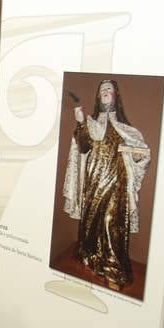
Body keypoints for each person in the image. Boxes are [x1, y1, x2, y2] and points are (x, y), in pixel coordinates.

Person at [62, 80, 150, 291]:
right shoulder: (91, 122)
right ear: (97, 97)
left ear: (116, 96)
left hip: (116, 182)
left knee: (113, 223)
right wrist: (80, 123)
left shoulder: (126, 129)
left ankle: (113, 269)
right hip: (93, 180)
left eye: (109, 89)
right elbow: (83, 147)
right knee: (92, 221)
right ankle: (89, 256)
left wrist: (138, 157)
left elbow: (141, 156)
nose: (105, 92)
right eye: (102, 90)